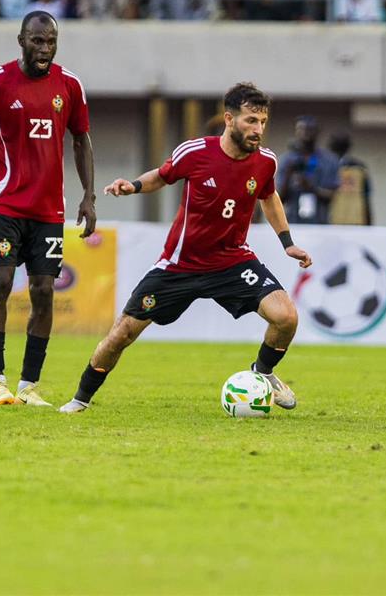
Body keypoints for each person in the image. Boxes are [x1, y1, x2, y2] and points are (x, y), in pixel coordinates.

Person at [58, 82, 313, 413]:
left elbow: (268, 197)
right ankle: (80, 399)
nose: (258, 130)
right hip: (179, 266)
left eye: (263, 122)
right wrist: (132, 186)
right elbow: (162, 176)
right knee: (122, 333)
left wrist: (287, 243)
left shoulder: (265, 162)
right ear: (229, 119)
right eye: (251, 121)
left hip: (233, 262)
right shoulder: (194, 152)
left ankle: (263, 373)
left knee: (286, 317)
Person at [0, 12, 95, 407]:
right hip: (4, 202)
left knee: (44, 291)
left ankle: (29, 385)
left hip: (49, 210)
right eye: (37, 41)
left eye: (51, 41)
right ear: (21, 40)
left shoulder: (69, 85)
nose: (45, 48)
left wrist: (89, 196)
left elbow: (82, 140)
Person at [277, 116, 340, 224]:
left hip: (320, 222)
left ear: (317, 132)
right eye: (301, 129)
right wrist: (289, 173)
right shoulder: (286, 160)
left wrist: (311, 187)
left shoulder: (329, 160)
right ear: (296, 132)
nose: (305, 132)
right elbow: (279, 199)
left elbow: (332, 196)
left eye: (310, 129)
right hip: (292, 222)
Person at [328, 132, 372, 225]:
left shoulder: (359, 168)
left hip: (352, 219)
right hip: (340, 219)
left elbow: (366, 195)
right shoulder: (360, 167)